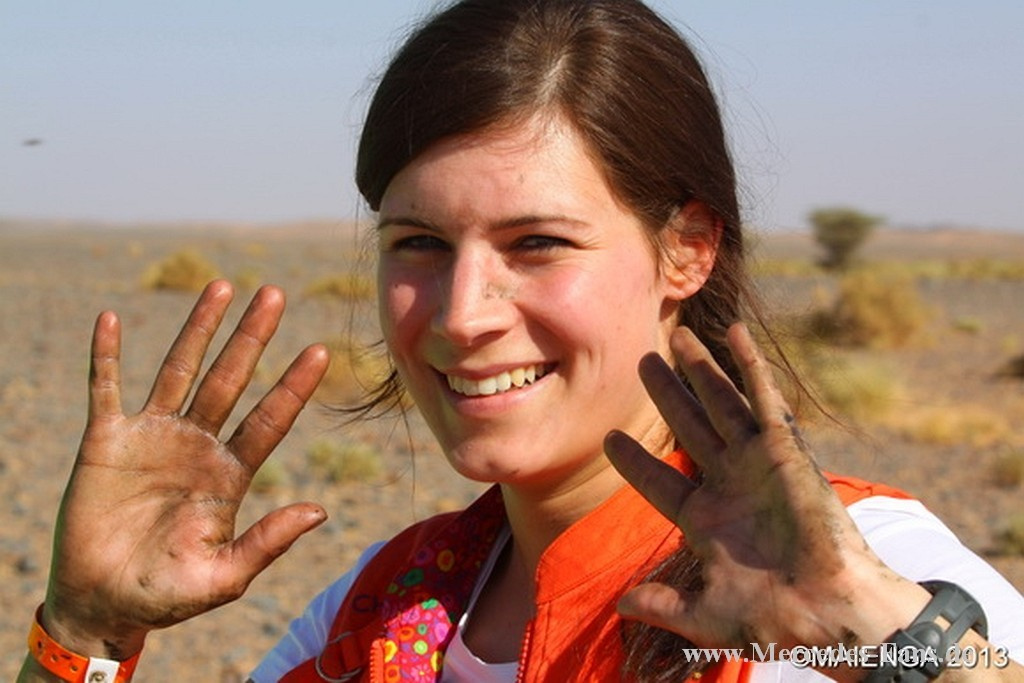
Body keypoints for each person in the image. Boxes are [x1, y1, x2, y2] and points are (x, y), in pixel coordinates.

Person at [18, 0, 1024, 681]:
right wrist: (85, 631)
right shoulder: (370, 618)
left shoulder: (867, 569)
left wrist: (875, 635)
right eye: (417, 242)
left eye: (537, 242)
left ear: (687, 249)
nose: (461, 312)